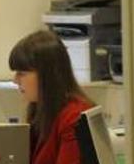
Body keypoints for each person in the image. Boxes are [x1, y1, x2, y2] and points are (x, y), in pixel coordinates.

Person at [9, 30, 94, 164]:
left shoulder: (74, 117)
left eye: (22, 73)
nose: (15, 80)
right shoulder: (40, 112)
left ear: (46, 75)